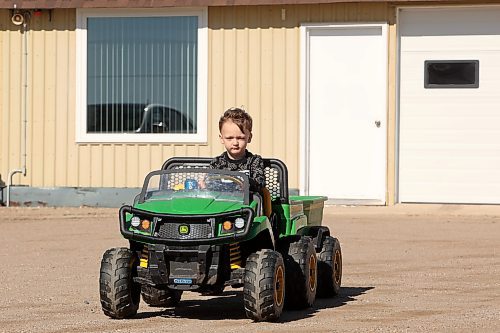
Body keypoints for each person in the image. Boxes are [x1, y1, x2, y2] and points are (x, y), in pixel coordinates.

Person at [210, 107, 265, 192]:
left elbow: (260, 183)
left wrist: (247, 183)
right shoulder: (217, 163)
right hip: (224, 202)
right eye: (229, 138)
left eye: (240, 138)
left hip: (247, 203)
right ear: (222, 139)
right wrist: (205, 183)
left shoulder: (254, 161)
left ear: (249, 137)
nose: (235, 143)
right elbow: (211, 186)